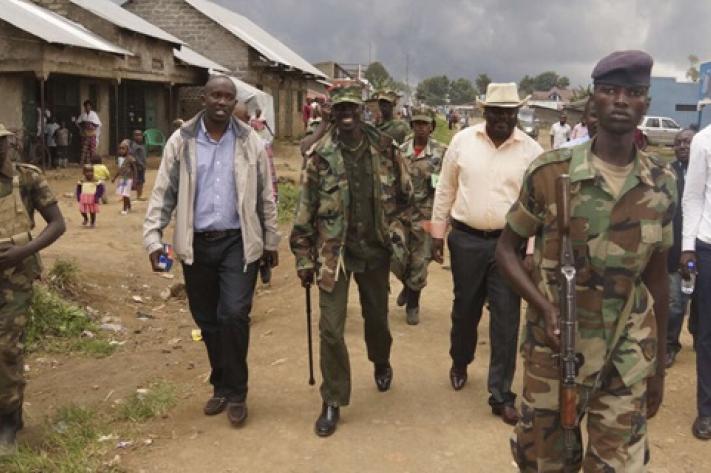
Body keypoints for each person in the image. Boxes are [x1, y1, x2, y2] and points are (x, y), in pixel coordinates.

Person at [497, 50, 675, 471]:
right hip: (556, 352)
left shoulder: (661, 183)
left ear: (645, 104)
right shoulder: (550, 173)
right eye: (609, 90)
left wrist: (657, 371)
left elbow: (658, 281)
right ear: (593, 100)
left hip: (625, 355)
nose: (620, 100)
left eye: (633, 93)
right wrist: (544, 307)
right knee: (546, 462)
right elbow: (505, 250)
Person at [144, 76, 279, 428]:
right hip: (196, 243)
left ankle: (237, 391)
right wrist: (154, 239)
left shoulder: (251, 141)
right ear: (204, 99)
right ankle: (220, 382)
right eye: (215, 95)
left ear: (235, 103)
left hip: (238, 241)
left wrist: (270, 241)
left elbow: (266, 196)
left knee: (233, 314)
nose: (222, 102)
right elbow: (163, 193)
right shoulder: (181, 141)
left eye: (228, 97)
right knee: (207, 320)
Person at [290, 83, 410, 437]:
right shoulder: (320, 156)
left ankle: (381, 359)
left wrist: (399, 235)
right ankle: (333, 398)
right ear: (331, 113)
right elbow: (304, 212)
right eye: (339, 109)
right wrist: (302, 258)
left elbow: (406, 197)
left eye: (352, 109)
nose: (346, 115)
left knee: (377, 319)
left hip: (374, 251)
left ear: (362, 111)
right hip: (333, 255)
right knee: (330, 328)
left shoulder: (385, 149)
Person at [430, 82, 541, 426]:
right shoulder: (462, 142)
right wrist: (437, 233)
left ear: (516, 114)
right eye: (495, 112)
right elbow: (446, 188)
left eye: (508, 113)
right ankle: (460, 360)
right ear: (485, 113)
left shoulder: (532, 152)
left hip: (510, 246)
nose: (502, 119)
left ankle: (501, 395)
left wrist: (531, 251)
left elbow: (537, 206)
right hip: (465, 240)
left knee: (507, 318)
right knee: (465, 309)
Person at [0, 123, 66, 455]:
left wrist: (23, 251)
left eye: (2, 143)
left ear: (9, 144)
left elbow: (57, 223)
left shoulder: (26, 178)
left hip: (16, 278)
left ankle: (9, 420)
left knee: (7, 348)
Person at [392, 106, 447, 325]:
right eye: (417, 124)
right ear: (411, 126)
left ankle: (413, 303)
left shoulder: (442, 153)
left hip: (427, 214)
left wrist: (443, 219)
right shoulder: (400, 151)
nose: (420, 128)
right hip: (401, 214)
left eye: (425, 124)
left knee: (421, 260)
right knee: (395, 254)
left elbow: (446, 186)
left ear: (431, 127)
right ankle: (407, 283)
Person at [681, 121, 711, 440]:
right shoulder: (704, 141)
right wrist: (688, 247)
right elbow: (693, 197)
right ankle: (707, 411)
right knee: (708, 335)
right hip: (708, 245)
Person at [666, 129, 696, 368]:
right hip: (676, 250)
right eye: (679, 142)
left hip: (703, 245)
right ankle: (669, 344)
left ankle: (699, 336)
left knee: (701, 300)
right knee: (676, 303)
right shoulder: (667, 173)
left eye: (688, 141)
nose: (683, 146)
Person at [112, 139, 137, 215]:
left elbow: (134, 169)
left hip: (128, 178)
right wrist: (115, 177)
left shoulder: (130, 158)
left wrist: (135, 180)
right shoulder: (120, 159)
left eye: (123, 148)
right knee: (124, 194)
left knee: (125, 194)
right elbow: (120, 169)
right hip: (122, 178)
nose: (121, 150)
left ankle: (124, 209)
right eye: (120, 148)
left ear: (128, 149)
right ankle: (129, 206)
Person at [76, 100, 101, 165]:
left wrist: (91, 124)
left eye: (88, 106)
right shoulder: (83, 115)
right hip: (85, 135)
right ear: (84, 107)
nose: (87, 107)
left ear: (90, 106)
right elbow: (78, 123)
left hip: (92, 134)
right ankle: (83, 163)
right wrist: (82, 127)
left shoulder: (94, 114)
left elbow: (98, 124)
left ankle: (93, 163)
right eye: (86, 106)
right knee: (84, 150)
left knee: (92, 150)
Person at [130, 130, 147, 201]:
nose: (139, 137)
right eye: (137, 135)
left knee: (141, 181)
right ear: (134, 136)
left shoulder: (142, 145)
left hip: (142, 166)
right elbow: (135, 157)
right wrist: (140, 164)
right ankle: (139, 195)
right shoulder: (134, 146)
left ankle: (140, 194)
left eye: (140, 135)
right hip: (138, 166)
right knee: (139, 181)